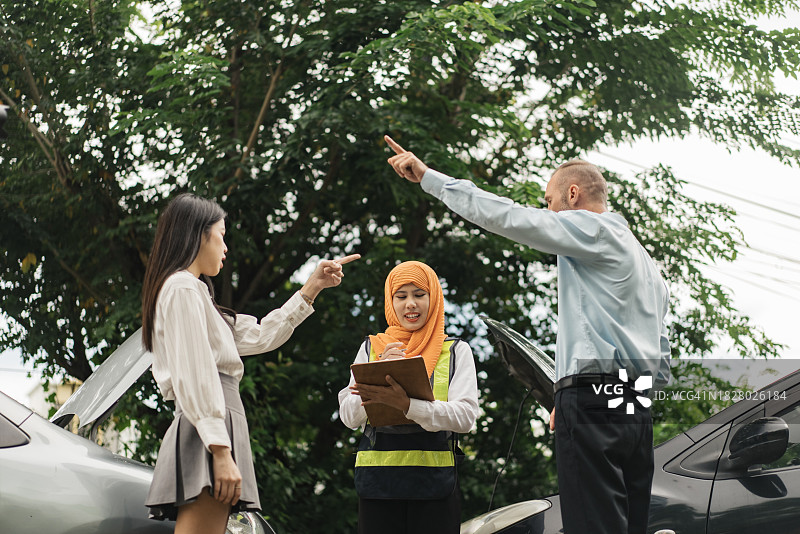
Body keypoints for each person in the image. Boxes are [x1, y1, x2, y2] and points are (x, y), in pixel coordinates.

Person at [384, 135, 671, 534]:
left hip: (592, 402)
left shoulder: (593, 229)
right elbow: (661, 354)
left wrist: (431, 178)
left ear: (573, 194)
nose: (547, 211)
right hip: (634, 410)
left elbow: (509, 217)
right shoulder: (648, 266)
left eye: (549, 202)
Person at [140, 193, 359, 534]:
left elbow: (259, 335)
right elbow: (195, 375)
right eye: (222, 235)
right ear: (200, 234)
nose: (225, 247)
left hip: (214, 423)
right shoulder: (182, 288)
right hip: (211, 424)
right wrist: (220, 449)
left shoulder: (193, 292)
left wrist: (311, 288)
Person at [338, 261, 479, 534]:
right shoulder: (371, 348)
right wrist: (378, 371)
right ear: (390, 302)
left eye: (419, 294)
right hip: (377, 487)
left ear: (434, 298)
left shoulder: (456, 351)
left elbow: (465, 418)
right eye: (400, 297)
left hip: (434, 489)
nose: (410, 304)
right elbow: (348, 416)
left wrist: (408, 405)